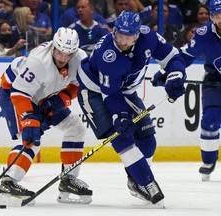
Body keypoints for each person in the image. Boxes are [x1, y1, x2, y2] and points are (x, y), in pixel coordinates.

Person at [77, 11, 186, 205]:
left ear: (138, 34)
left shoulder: (149, 37)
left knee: (148, 140)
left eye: (130, 36)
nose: (124, 41)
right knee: (122, 137)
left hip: (125, 92)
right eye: (120, 35)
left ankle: (134, 181)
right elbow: (111, 94)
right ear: (114, 32)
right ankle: (146, 182)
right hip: (94, 91)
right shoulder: (107, 55)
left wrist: (175, 75)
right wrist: (120, 116)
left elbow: (173, 58)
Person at [0, 27, 92, 205]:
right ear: (54, 46)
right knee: (32, 138)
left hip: (45, 94)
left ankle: (68, 179)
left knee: (76, 128)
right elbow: (19, 92)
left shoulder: (79, 59)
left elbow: (77, 84)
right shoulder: (39, 61)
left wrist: (62, 98)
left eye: (68, 54)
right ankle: (8, 182)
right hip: (15, 92)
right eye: (60, 52)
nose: (63, 58)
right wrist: (29, 118)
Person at [177, 0, 221, 181]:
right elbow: (185, 55)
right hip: (215, 82)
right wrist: (172, 71)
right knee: (210, 120)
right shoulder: (203, 34)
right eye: (217, 15)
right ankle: (209, 162)